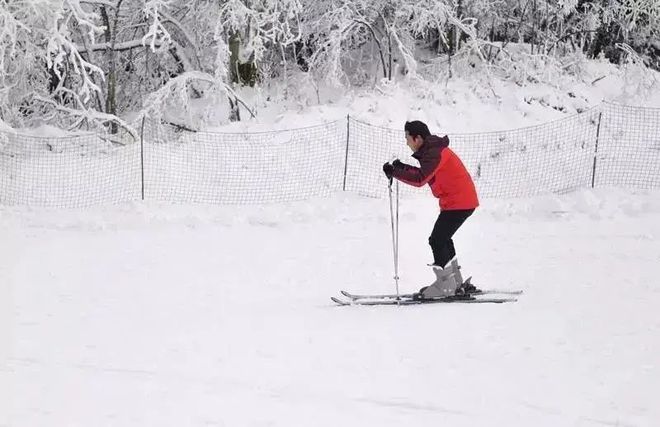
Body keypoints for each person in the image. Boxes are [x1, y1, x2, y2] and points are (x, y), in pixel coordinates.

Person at [382, 120, 479, 298]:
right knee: (443, 238)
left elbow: (420, 179)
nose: (407, 142)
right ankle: (455, 282)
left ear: (417, 138)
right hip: (458, 201)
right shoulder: (432, 151)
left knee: (437, 240)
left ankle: (446, 286)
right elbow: (425, 173)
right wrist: (401, 167)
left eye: (407, 138)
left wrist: (395, 172)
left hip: (459, 202)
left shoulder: (434, 153)